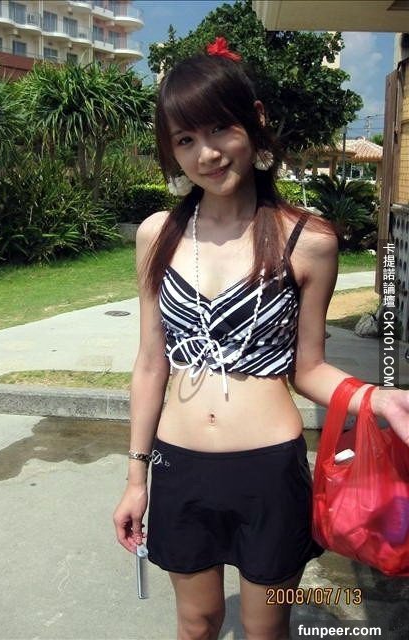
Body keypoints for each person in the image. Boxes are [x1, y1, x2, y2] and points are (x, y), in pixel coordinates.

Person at [113, 38, 409, 640]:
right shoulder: (157, 235)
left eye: (219, 128)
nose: (206, 153)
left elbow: (308, 367)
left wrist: (373, 397)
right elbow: (149, 365)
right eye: (185, 139)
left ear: (255, 121)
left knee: (265, 626)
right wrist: (136, 479)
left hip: (269, 472)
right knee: (196, 623)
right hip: (179, 466)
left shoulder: (309, 240)